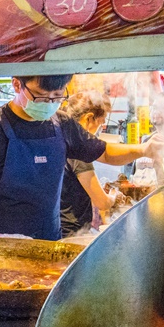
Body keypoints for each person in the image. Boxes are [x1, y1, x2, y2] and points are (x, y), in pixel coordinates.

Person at [0, 74, 162, 240]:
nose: (49, 103)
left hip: (50, 245)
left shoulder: (62, 124)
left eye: (56, 97)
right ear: (17, 84)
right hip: (1, 247)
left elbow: (105, 152)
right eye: (41, 96)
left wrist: (144, 149)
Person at [58, 92, 118, 236]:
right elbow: (102, 202)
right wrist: (114, 195)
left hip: (57, 227)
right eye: (101, 123)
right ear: (89, 118)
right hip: (70, 233)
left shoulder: (61, 140)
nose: (99, 131)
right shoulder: (80, 152)